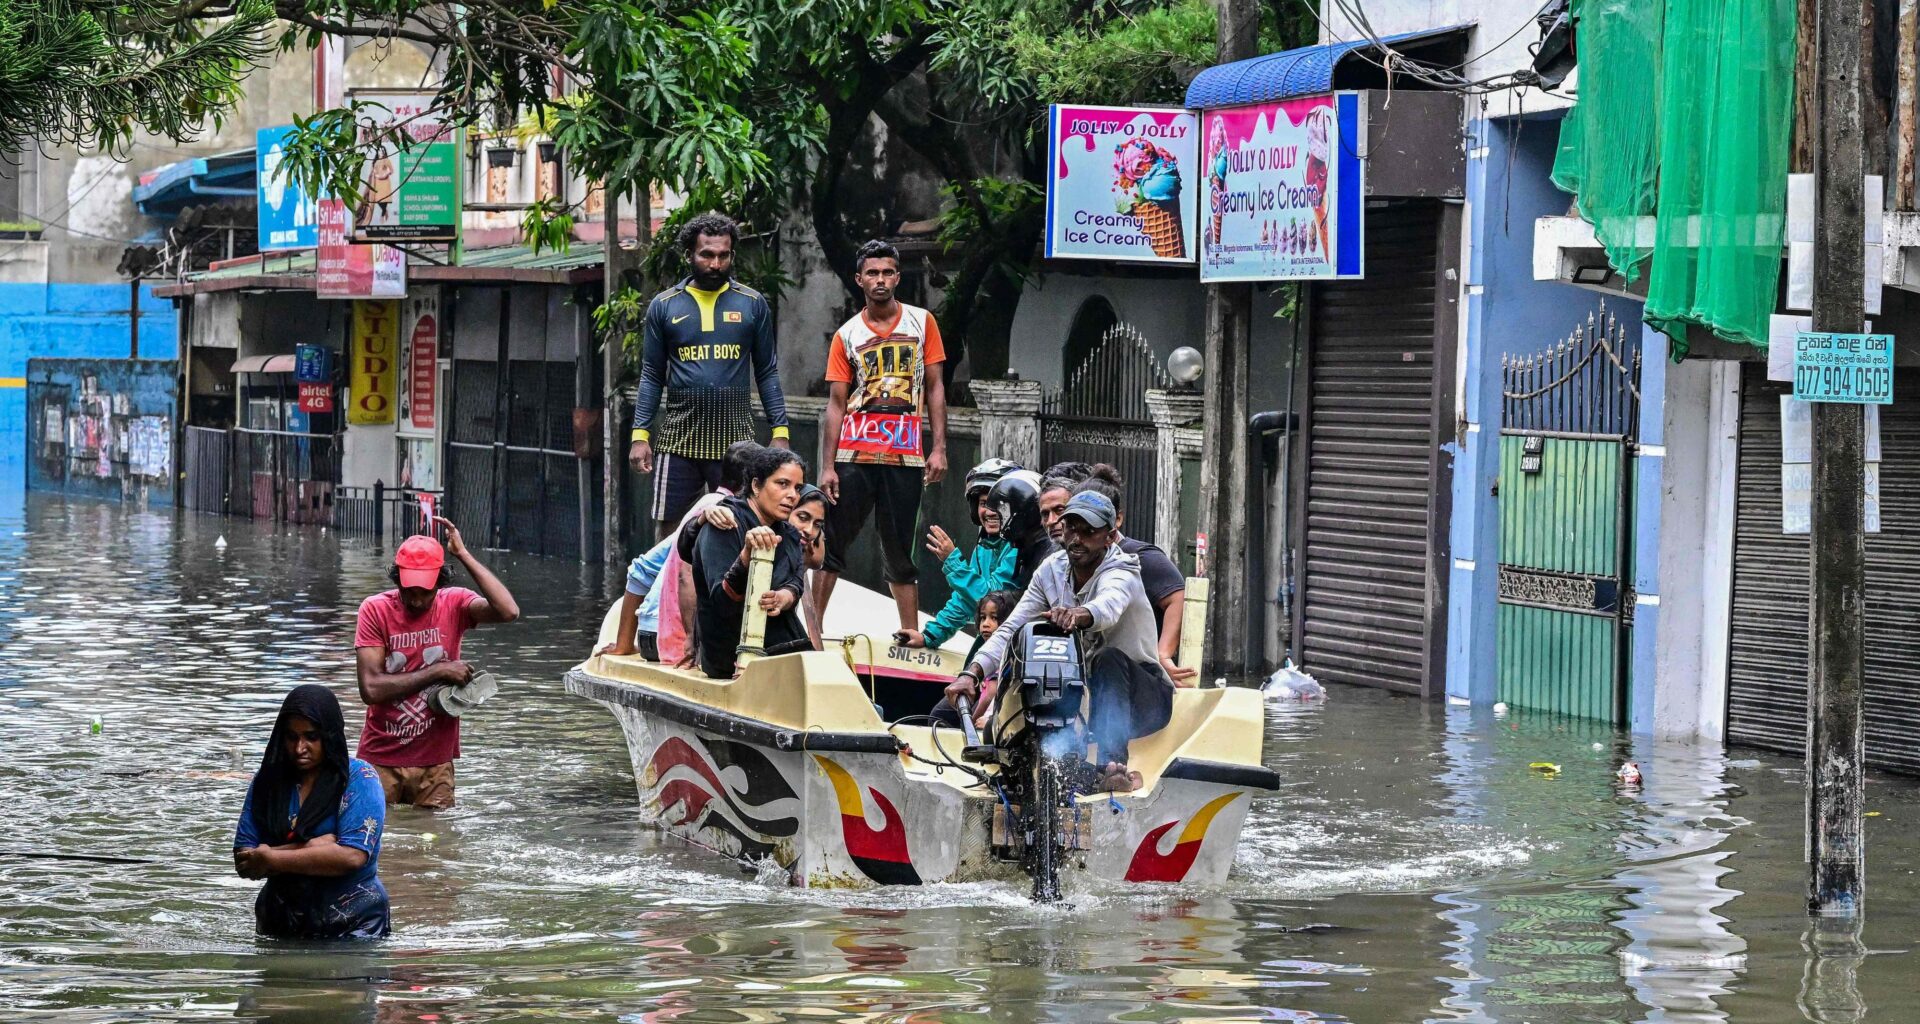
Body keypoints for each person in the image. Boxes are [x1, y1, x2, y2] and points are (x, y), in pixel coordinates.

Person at [944, 490, 1173, 793]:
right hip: (1086, 699)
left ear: (1110, 536)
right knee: (1030, 660)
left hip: (1142, 699)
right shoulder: (1050, 571)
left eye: (1089, 531)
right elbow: (1010, 628)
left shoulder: (1123, 569)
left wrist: (1079, 614)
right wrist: (971, 673)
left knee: (1108, 658)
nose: (1077, 539)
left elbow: (1108, 607)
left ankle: (1112, 766)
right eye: (1072, 528)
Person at [814, 239, 950, 636]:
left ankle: (909, 632)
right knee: (832, 541)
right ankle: (814, 631)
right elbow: (836, 403)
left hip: (906, 454)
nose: (880, 280)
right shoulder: (847, 334)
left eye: (887, 272)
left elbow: (937, 387)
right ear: (859, 279)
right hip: (854, 453)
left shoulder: (922, 323)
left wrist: (938, 447)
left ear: (897, 276)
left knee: (900, 547)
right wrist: (827, 467)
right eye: (872, 273)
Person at [629, 212, 790, 540]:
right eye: (706, 255)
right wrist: (640, 435)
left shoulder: (752, 304)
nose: (715, 264)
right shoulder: (664, 306)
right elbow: (651, 374)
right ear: (689, 255)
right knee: (669, 535)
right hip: (678, 441)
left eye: (723, 255)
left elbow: (767, 370)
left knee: (745, 527)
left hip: (737, 443)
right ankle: (667, 592)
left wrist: (781, 430)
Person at [355, 521, 520, 810]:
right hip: (381, 757)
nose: (417, 601)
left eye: (426, 592)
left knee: (436, 847)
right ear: (397, 582)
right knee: (378, 842)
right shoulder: (375, 609)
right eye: (410, 591)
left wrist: (464, 554)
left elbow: (508, 611)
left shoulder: (454, 604)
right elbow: (370, 688)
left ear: (441, 584)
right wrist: (439, 670)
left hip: (436, 761)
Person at [233, 684, 389, 940]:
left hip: (355, 923)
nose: (299, 748)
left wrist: (272, 858)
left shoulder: (359, 778)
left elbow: (352, 856)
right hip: (279, 922)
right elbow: (245, 860)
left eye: (311, 737)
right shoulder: (267, 782)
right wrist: (318, 845)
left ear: (329, 736)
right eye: (291, 737)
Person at [603, 440, 761, 661]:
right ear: (754, 484)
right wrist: (691, 642)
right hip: (671, 639)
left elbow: (641, 571)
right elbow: (685, 576)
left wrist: (624, 644)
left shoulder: (708, 504)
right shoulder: (723, 514)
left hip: (650, 633)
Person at [691, 448, 812, 677]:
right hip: (731, 658)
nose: (792, 496)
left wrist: (783, 598)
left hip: (780, 646)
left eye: (797, 488)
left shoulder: (788, 533)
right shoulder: (725, 522)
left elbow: (795, 583)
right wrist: (746, 557)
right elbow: (721, 603)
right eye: (782, 484)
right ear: (756, 486)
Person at [1072, 464, 1198, 685]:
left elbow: (1178, 597)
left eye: (1091, 525)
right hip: (1089, 667)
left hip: (1133, 670)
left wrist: (1163, 654)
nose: (1080, 535)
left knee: (1109, 659)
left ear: (1115, 522)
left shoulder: (1136, 558)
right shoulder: (1059, 563)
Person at [896, 458, 1021, 651]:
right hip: (993, 641)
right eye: (984, 503)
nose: (989, 512)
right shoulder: (986, 544)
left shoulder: (1019, 546)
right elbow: (965, 601)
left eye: (998, 503)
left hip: (1017, 644)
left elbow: (991, 601)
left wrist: (952, 561)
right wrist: (929, 636)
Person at [928, 588, 1019, 731]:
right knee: (938, 715)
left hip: (994, 713)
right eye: (983, 617)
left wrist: (970, 724)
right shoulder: (982, 650)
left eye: (994, 618)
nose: (985, 624)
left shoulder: (1008, 653)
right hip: (980, 698)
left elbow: (990, 694)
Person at [984, 469, 1058, 590]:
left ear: (1022, 510)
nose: (999, 517)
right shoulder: (1027, 546)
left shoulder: (1048, 553)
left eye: (1004, 510)